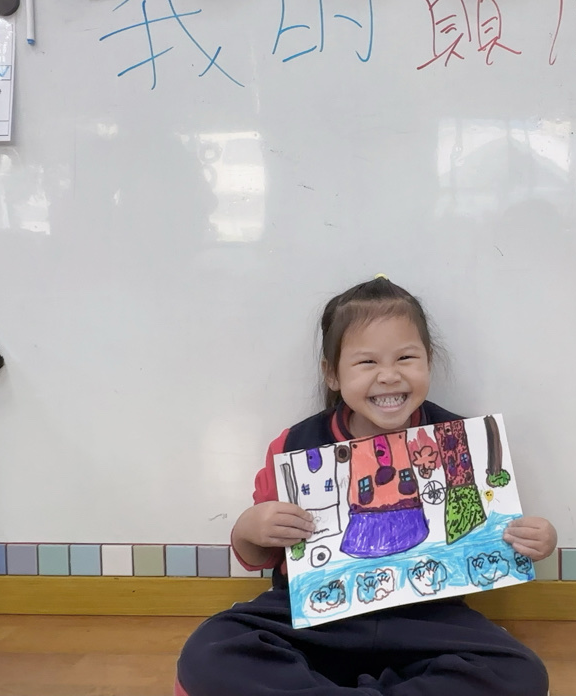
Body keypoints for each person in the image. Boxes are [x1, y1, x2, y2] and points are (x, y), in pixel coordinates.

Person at [176, 276, 556, 696]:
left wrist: (536, 539)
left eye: (406, 358)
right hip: (315, 619)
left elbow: (495, 532)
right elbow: (256, 554)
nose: (389, 376)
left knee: (521, 674)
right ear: (332, 374)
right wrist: (252, 527)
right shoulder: (293, 444)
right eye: (367, 362)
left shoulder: (461, 441)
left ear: (428, 361)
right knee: (210, 651)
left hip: (427, 622)